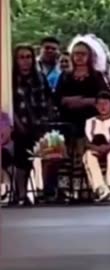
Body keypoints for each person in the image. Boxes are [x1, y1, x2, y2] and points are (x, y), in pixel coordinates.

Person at [55, 38, 110, 197]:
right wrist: (70, 101)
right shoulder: (65, 76)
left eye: (83, 54)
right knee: (67, 156)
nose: (79, 57)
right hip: (68, 121)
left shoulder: (96, 76)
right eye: (76, 54)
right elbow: (57, 98)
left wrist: (85, 101)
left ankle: (85, 190)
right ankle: (66, 190)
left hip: (89, 122)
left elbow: (104, 97)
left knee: (85, 153)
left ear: (89, 56)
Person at [12, 44, 51, 204]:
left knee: (48, 156)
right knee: (22, 159)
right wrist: (17, 123)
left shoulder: (40, 77)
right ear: (16, 60)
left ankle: (45, 192)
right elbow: (9, 103)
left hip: (40, 123)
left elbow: (48, 98)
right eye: (22, 57)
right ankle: (21, 195)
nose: (25, 61)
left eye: (28, 57)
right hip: (20, 123)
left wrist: (47, 119)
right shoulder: (11, 78)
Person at [83, 92, 110, 201]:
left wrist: (106, 148)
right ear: (96, 106)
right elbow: (87, 142)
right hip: (96, 148)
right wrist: (98, 148)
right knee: (88, 156)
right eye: (100, 104)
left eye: (106, 103)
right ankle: (100, 188)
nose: (103, 107)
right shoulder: (90, 122)